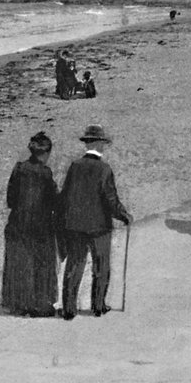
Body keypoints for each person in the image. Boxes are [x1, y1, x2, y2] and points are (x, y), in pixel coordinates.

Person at [58, 125, 132, 319]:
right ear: (99, 144)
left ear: (86, 144)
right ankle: (98, 306)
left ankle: (68, 309)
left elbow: (65, 195)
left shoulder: (75, 166)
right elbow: (111, 200)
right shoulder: (104, 169)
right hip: (99, 226)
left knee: (75, 265)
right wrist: (124, 216)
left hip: (75, 224)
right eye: (102, 144)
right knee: (101, 266)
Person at [1, 132, 60, 317]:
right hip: (40, 225)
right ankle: (41, 305)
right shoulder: (45, 173)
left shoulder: (19, 169)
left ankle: (19, 304)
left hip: (18, 223)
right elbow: (53, 201)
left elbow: (10, 199)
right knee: (42, 265)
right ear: (46, 153)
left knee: (19, 265)